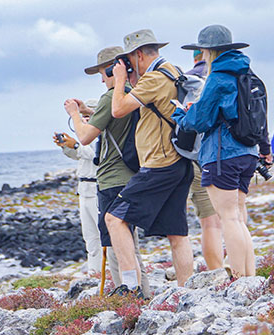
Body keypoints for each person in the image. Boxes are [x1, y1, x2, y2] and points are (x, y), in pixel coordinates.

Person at [173, 24, 272, 277]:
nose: (202, 55)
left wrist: (182, 115)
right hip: (248, 153)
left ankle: (240, 278)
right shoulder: (248, 74)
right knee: (238, 218)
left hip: (222, 155)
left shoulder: (218, 77)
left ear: (208, 51)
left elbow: (200, 121)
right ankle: (249, 278)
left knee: (228, 219)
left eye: (202, 51)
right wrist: (264, 148)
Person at [106, 29, 194, 293]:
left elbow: (118, 109)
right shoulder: (173, 70)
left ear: (138, 54)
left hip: (159, 164)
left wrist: (120, 79)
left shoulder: (154, 78)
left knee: (114, 218)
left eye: (129, 60)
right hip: (180, 161)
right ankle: (185, 291)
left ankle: (129, 287)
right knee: (177, 233)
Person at [63, 46, 150, 298]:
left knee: (114, 244)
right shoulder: (133, 95)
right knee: (130, 243)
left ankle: (126, 295)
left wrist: (73, 115)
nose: (101, 79)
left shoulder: (110, 97)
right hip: (133, 175)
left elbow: (85, 136)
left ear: (113, 69)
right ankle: (141, 294)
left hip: (112, 178)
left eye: (103, 72)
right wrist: (87, 112)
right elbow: (113, 116)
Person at [185, 52, 224, 270]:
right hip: (218, 155)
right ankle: (223, 269)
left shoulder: (187, 80)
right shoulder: (220, 77)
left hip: (194, 157)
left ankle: (216, 272)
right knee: (222, 218)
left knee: (209, 221)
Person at [53, 128, 101, 275]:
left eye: (88, 116)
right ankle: (94, 271)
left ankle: (108, 272)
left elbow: (95, 157)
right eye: (83, 117)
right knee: (89, 234)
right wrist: (66, 146)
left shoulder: (103, 135)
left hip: (97, 188)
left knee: (102, 233)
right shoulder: (87, 136)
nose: (85, 121)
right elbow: (80, 156)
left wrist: (75, 146)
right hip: (84, 189)